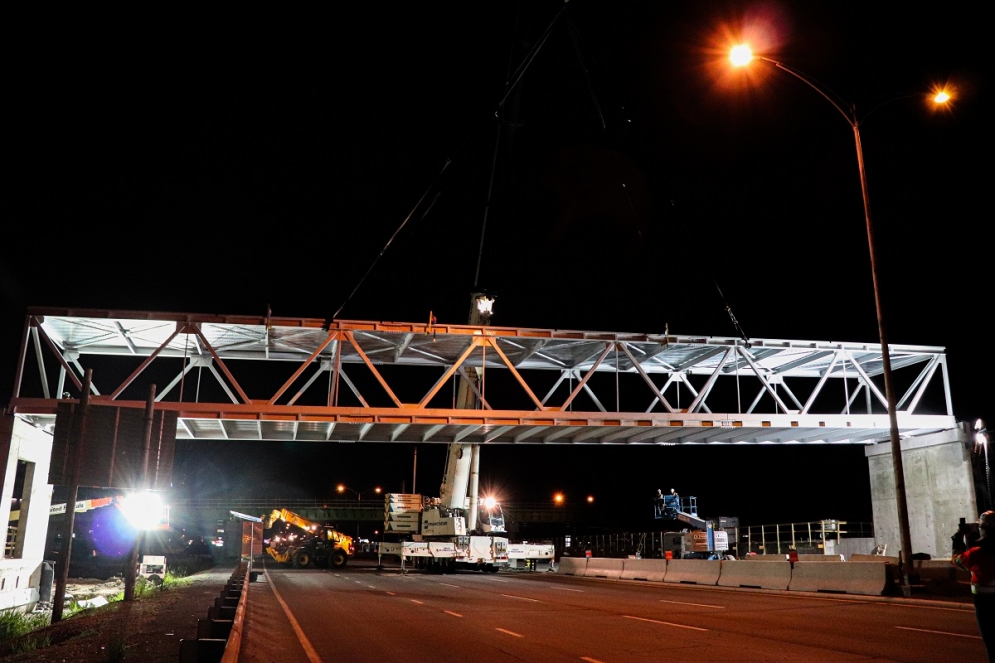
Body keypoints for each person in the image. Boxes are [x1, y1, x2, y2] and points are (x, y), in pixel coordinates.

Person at [951, 510, 994, 661]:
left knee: (992, 645)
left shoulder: (976, 555)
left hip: (985, 605)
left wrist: (958, 538)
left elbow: (957, 560)